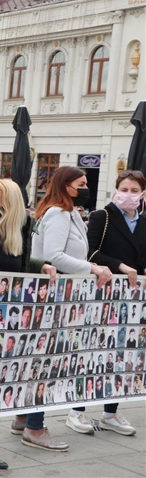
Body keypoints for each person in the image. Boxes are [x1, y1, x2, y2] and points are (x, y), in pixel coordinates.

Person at [26, 167, 116, 442]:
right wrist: (92, 268)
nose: (86, 187)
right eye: (81, 183)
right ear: (66, 185)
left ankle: (24, 419)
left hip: (60, 296)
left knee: (44, 358)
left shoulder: (68, 212)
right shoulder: (58, 213)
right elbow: (54, 256)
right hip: (54, 297)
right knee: (47, 360)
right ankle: (35, 426)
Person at [70, 170, 145, 437]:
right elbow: (89, 252)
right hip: (102, 292)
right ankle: (76, 411)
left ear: (143, 194)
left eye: (135, 190)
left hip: (132, 299)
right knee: (91, 351)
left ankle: (110, 412)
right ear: (116, 189)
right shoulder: (103, 216)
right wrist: (119, 266)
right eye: (125, 188)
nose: (129, 194)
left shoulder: (144, 221)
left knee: (122, 354)